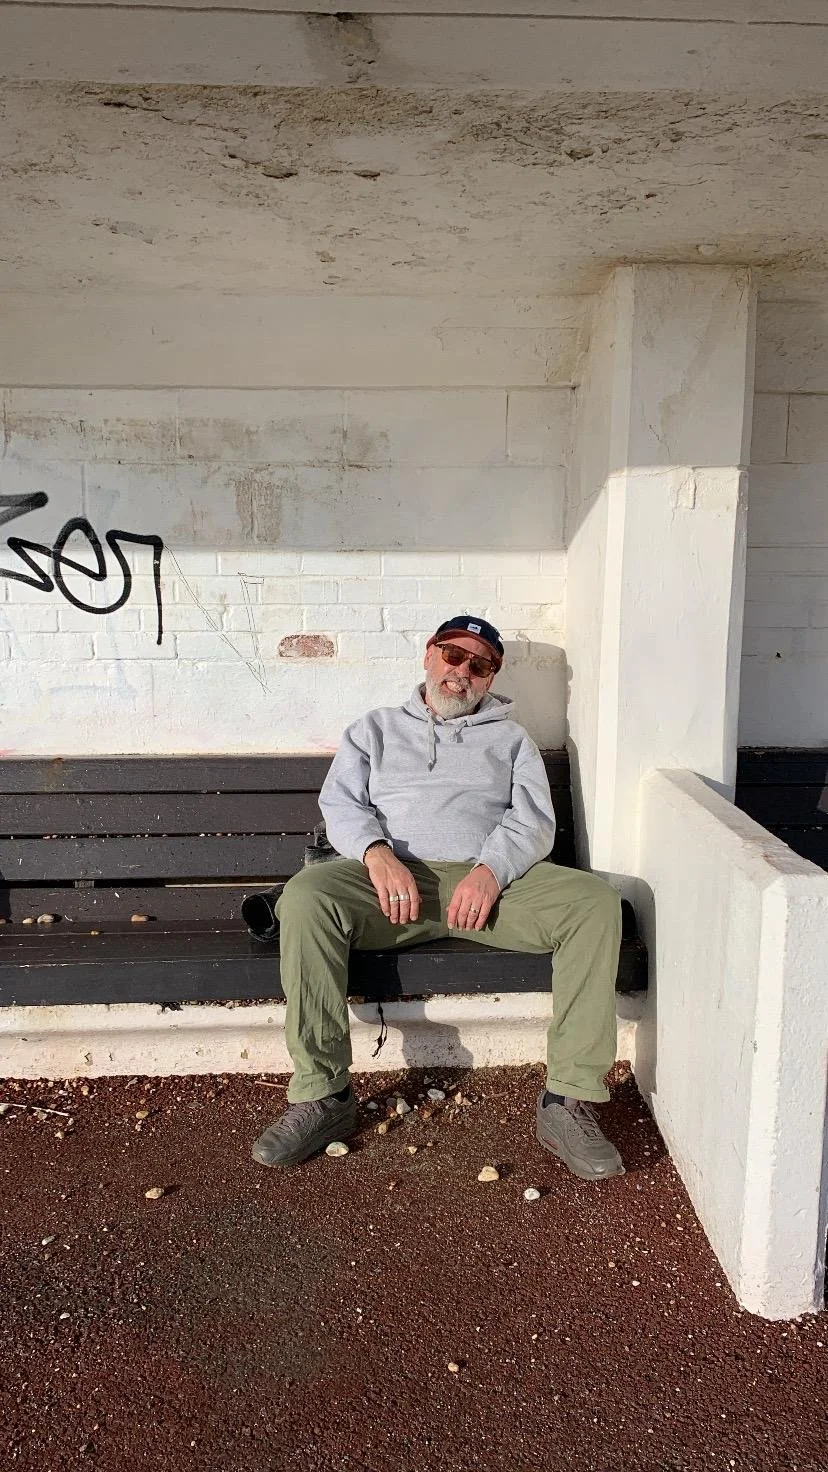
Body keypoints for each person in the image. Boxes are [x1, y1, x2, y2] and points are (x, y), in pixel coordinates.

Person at [252, 615, 624, 1180]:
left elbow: (532, 822)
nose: (462, 672)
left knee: (594, 903)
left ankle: (568, 1101)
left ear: (490, 676)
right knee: (306, 897)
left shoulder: (511, 739)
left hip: (490, 888)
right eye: (453, 655)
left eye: (480, 665)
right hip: (391, 885)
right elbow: (342, 805)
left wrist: (490, 870)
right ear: (429, 655)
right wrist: (377, 854)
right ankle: (323, 1096)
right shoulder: (373, 728)